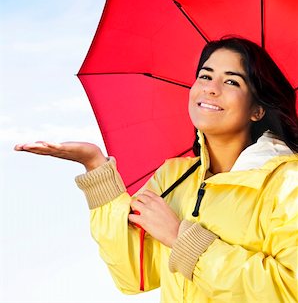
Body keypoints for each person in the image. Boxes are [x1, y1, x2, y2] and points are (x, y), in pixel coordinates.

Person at [15, 37, 298, 303]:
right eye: (205, 75)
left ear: (257, 110)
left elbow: (288, 290)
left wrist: (180, 238)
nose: (211, 88)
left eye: (232, 82)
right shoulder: (173, 176)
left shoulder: (287, 182)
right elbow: (134, 274)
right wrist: (96, 167)